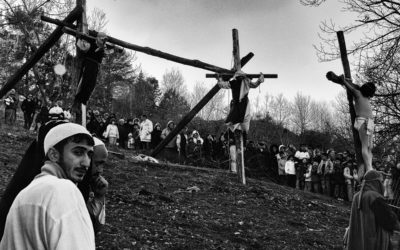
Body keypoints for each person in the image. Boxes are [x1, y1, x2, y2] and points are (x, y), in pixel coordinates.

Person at [0, 123, 96, 249]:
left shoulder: (23, 194)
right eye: (78, 152)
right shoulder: (64, 190)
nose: (86, 163)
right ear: (54, 154)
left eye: (89, 155)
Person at [327, 71, 376, 174]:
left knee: (370, 146)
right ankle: (369, 169)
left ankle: (370, 166)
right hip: (362, 120)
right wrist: (344, 81)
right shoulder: (358, 93)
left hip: (370, 121)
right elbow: (351, 88)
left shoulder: (367, 97)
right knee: (365, 145)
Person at [344, 170, 400, 250]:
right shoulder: (374, 197)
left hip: (360, 237)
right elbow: (388, 219)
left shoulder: (357, 195)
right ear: (376, 182)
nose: (382, 184)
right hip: (374, 239)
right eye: (381, 181)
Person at [78, 137, 109, 234]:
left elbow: (95, 227)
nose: (101, 170)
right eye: (97, 164)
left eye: (103, 165)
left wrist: (99, 197)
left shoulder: (86, 184)